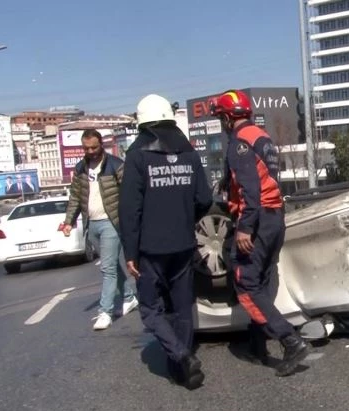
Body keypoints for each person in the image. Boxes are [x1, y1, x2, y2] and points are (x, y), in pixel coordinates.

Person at [210, 89, 309, 377]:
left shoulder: (238, 142)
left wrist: (244, 228)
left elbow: (251, 190)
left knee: (246, 284)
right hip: (275, 217)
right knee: (263, 281)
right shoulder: (261, 137)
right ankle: (258, 342)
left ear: (229, 118)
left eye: (221, 118)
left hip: (257, 220)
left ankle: (290, 341)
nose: (222, 124)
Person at [119, 94, 213, 390]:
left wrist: (130, 252)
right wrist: (185, 220)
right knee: (182, 307)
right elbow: (205, 199)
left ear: (142, 123)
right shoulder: (189, 153)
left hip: (150, 249)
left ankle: (182, 356)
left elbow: (129, 210)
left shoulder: (137, 156)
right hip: (184, 244)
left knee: (150, 309)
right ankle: (181, 368)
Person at [62, 129, 139, 331]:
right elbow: (75, 198)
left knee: (106, 268)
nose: (91, 151)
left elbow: (129, 194)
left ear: (101, 145)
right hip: (92, 224)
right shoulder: (80, 169)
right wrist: (69, 221)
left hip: (111, 222)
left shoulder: (115, 165)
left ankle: (105, 312)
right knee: (111, 265)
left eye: (94, 147)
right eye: (86, 148)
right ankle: (129, 297)